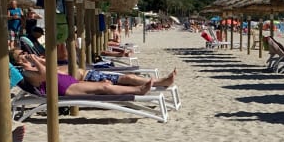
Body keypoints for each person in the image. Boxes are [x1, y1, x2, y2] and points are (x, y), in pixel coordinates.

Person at [11, 50, 177, 98]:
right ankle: (138, 90)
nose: (25, 55)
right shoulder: (26, 72)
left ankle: (154, 84)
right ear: (18, 62)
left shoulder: (32, 67)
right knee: (105, 88)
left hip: (68, 82)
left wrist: (37, 60)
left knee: (104, 85)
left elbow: (52, 69)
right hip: (65, 88)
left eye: (24, 53)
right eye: (21, 56)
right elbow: (45, 75)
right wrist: (35, 60)